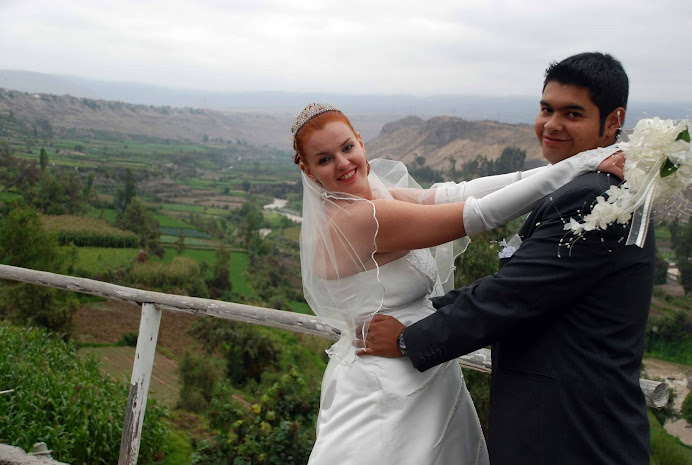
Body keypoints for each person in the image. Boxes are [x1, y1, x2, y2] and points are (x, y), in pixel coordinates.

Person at [292, 97, 623, 464]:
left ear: (360, 142)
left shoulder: (374, 197)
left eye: (347, 147)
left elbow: (457, 193)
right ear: (308, 171)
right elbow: (477, 214)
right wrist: (581, 164)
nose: (343, 163)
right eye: (325, 159)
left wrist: (568, 165)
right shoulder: (357, 219)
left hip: (420, 367)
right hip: (385, 386)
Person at [361, 52, 655, 465]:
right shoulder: (586, 184)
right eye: (546, 109)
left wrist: (409, 338)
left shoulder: (598, 196)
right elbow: (522, 280)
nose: (552, 125)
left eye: (572, 113)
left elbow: (512, 295)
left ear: (611, 121)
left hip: (573, 432)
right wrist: (421, 310)